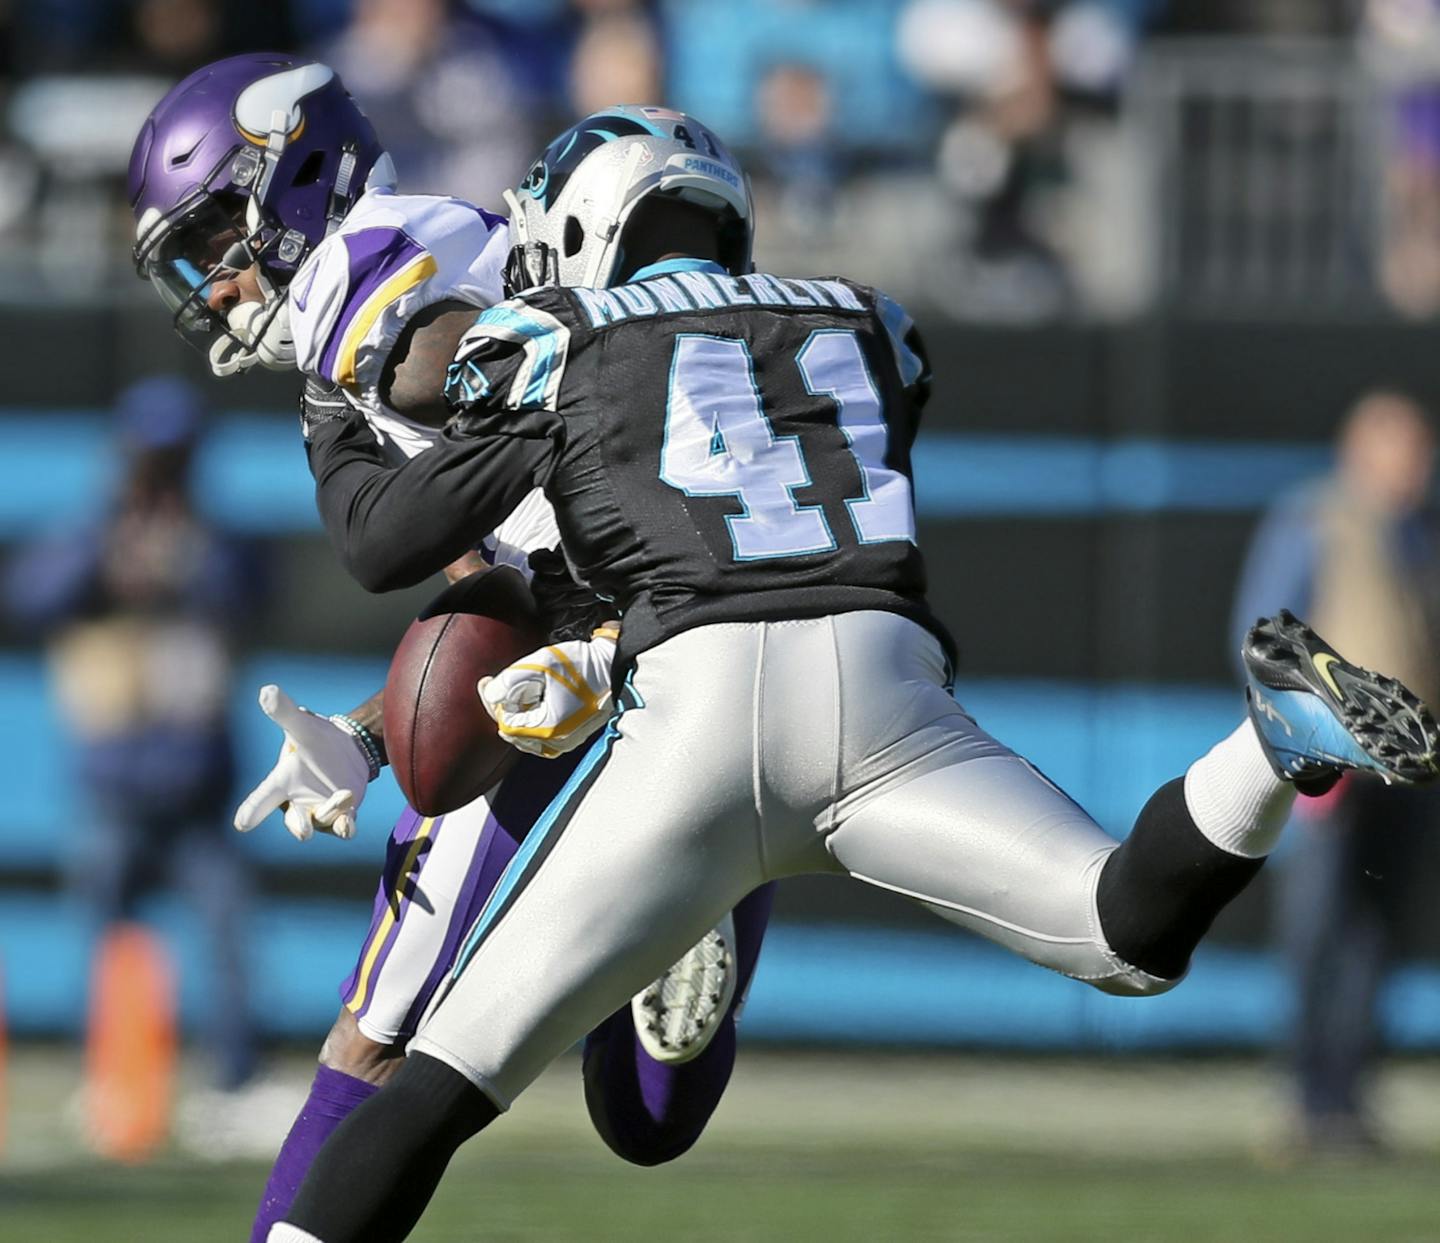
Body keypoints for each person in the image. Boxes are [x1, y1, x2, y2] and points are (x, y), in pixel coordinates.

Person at [265, 107, 1439, 1242]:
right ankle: (1268, 743)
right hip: (884, 680)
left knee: (436, 1084)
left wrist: (328, 401)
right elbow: (728, 483)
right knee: (1123, 932)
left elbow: (388, 537)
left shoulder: (555, 334)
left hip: (697, 709)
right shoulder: (873, 322)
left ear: (577, 226)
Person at [126, 56, 772, 1241]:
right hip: (707, 649)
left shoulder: (367, 279)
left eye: (215, 235)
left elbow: (516, 429)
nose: (212, 286)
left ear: (290, 173)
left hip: (608, 660)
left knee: (374, 1040)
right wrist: (374, 737)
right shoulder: (440, 252)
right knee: (643, 1114)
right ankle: (689, 919)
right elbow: (495, 575)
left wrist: (600, 629)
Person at [3, 376, 262, 1105]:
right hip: (114, 772)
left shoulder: (213, 540)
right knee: (108, 934)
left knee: (226, 937)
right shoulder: (88, 534)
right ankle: (111, 1075)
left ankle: (233, 1078)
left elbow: (249, 594)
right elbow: (34, 595)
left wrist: (186, 553)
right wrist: (108, 556)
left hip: (200, 774)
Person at [1233, 390, 1440, 1153]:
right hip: (1333, 766)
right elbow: (1260, 635)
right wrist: (1302, 739)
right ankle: (1306, 1097)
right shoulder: (1314, 518)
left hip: (1409, 773)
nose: (1412, 466)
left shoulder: (1423, 529)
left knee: (1377, 933)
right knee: (1317, 928)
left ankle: (1350, 1098)